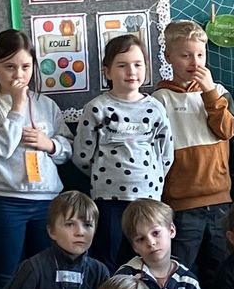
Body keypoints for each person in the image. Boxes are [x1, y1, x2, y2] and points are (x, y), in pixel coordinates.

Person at [0, 29, 75, 286]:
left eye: (26, 67)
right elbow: (2, 147)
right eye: (10, 67)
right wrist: (17, 106)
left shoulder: (46, 104)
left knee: (46, 272)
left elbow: (68, 148)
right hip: (6, 201)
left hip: (47, 201)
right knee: (4, 274)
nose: (19, 75)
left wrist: (50, 145)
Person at [70, 34, 174, 267]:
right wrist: (107, 176)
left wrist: (151, 179)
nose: (131, 71)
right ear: (107, 72)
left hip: (148, 198)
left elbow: (166, 155)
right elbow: (82, 156)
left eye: (138, 64)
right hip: (109, 199)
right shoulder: (97, 108)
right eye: (122, 65)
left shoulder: (155, 108)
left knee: (148, 256)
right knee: (110, 258)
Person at [157, 18, 234, 274]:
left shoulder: (219, 92)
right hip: (181, 206)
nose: (195, 62)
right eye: (186, 55)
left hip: (220, 201)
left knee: (222, 270)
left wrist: (210, 93)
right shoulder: (159, 100)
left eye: (200, 55)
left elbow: (227, 130)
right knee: (182, 270)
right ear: (168, 57)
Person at [2, 189, 108, 289]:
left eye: (88, 225)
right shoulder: (33, 268)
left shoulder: (99, 272)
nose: (80, 232)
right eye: (70, 224)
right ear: (51, 231)